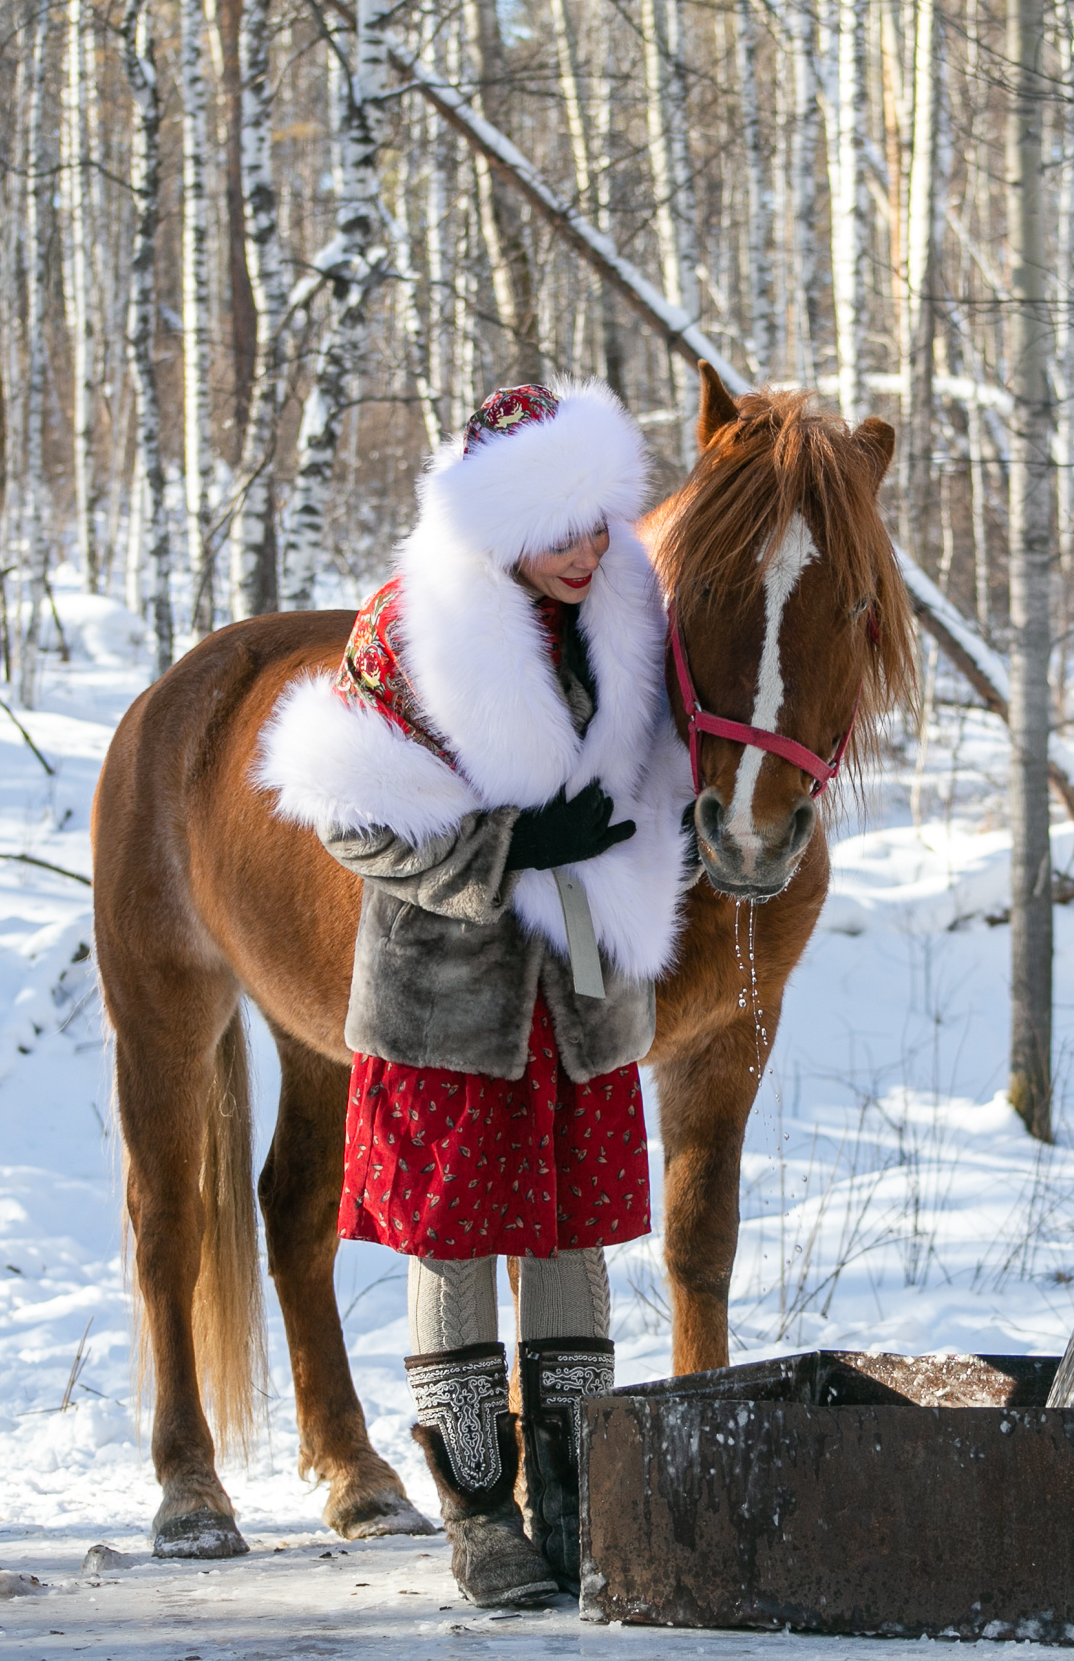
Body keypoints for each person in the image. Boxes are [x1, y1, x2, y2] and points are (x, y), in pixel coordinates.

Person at [258, 381, 694, 1608]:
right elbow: (351, 815)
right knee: (451, 1236)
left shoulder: (626, 621)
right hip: (451, 999)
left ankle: (571, 1496)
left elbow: (660, 782)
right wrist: (509, 848)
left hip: (582, 986)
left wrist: (673, 837)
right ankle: (479, 1512)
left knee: (573, 1233)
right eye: (556, 528)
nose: (584, 550)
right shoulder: (408, 629)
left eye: (596, 522)